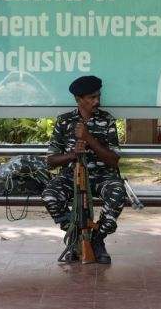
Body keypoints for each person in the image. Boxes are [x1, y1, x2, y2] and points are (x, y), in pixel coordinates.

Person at [42, 75, 126, 264]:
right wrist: (71, 155)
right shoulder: (64, 121)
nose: (97, 101)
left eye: (98, 96)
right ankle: (76, 236)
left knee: (118, 192)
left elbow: (114, 160)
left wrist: (89, 139)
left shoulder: (107, 120)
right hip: (71, 175)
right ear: (78, 99)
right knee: (50, 194)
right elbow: (51, 160)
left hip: (103, 175)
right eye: (91, 98)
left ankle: (96, 240)